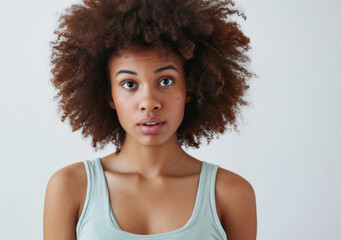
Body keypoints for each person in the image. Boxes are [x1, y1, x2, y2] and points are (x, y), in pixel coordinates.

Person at [43, 0, 257, 239]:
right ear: (109, 95)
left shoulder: (230, 193)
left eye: (166, 81)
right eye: (129, 84)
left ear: (190, 88)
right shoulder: (70, 188)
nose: (149, 102)